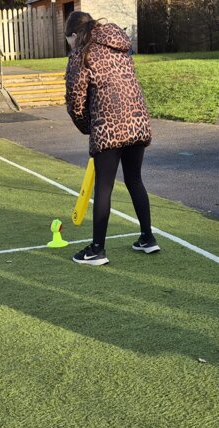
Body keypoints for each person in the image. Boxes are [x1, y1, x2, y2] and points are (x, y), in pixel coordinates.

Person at [64, 11, 159, 266]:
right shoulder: (120, 45)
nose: (69, 45)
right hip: (137, 121)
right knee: (134, 179)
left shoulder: (81, 54)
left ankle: (97, 250)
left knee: (104, 187)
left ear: (74, 35)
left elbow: (75, 100)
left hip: (109, 126)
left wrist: (88, 127)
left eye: (68, 39)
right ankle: (148, 238)